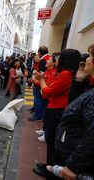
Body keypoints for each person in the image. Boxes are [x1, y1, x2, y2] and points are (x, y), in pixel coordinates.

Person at [46, 45, 94, 180]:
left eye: (90, 56)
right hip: (69, 144)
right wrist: (78, 82)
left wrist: (73, 166)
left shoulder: (66, 74)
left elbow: (91, 133)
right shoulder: (85, 82)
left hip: (74, 155)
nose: (85, 61)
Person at [33, 49, 81, 178]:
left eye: (59, 58)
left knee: (52, 139)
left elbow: (47, 91)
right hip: (55, 107)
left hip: (58, 109)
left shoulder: (66, 74)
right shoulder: (66, 73)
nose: (55, 60)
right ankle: (49, 165)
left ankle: (50, 169)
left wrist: (41, 79)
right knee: (50, 138)